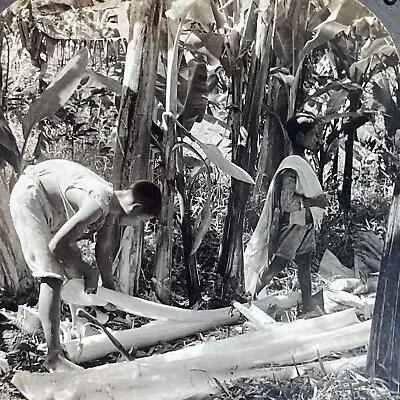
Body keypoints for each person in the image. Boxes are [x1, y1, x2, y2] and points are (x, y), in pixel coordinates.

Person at [9, 159, 162, 371]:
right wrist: (89, 270)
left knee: (73, 263)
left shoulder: (112, 207)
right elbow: (57, 246)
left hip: (51, 207)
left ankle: (70, 329)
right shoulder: (99, 203)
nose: (137, 225)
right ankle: (53, 355)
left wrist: (109, 287)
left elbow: (104, 249)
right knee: (51, 273)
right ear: (135, 209)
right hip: (31, 196)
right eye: (140, 221)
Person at [244, 112, 329, 315]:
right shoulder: (291, 167)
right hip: (294, 225)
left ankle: (308, 305)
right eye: (313, 135)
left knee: (305, 264)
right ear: (299, 137)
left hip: (305, 224)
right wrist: (316, 202)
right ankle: (250, 296)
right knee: (278, 264)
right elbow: (287, 203)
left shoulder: (301, 163)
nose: (317, 140)